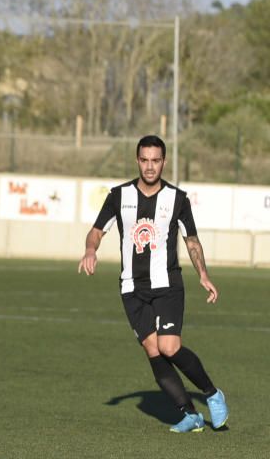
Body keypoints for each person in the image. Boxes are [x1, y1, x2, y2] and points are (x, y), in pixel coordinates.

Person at [78, 135, 229, 433]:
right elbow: (96, 232)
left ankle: (212, 393)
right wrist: (91, 250)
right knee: (152, 349)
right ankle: (190, 414)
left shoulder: (177, 199)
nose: (149, 166)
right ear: (137, 160)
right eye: (144, 160)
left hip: (167, 284)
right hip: (131, 287)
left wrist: (203, 274)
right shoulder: (119, 196)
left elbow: (192, 240)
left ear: (164, 162)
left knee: (169, 346)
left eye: (155, 160)